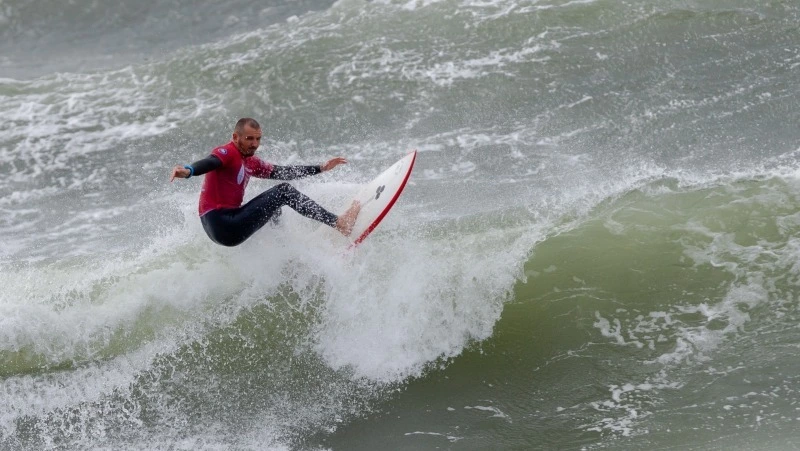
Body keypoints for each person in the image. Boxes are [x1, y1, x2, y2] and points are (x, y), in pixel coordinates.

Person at [170, 117, 360, 247]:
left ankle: (283, 253)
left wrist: (320, 168)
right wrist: (189, 171)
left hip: (221, 228)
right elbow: (210, 162)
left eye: (258, 139)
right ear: (235, 137)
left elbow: (282, 172)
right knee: (283, 192)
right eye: (249, 138)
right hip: (223, 223)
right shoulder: (227, 152)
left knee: (274, 207)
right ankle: (340, 223)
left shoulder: (251, 162)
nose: (254, 144)